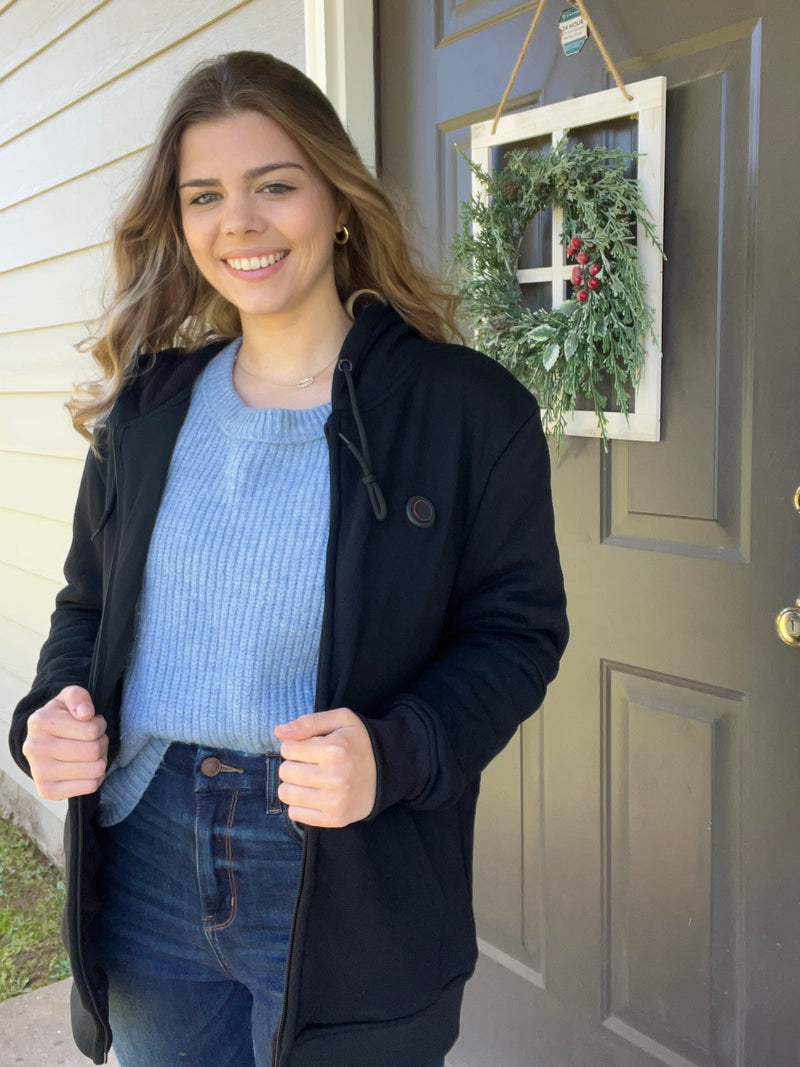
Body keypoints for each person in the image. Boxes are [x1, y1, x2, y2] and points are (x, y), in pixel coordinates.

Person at [8, 51, 568, 1067]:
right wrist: (50, 710)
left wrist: (390, 752)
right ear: (178, 222)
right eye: (205, 195)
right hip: (147, 852)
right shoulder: (147, 410)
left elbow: (517, 633)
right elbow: (86, 607)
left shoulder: (465, 410)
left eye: (274, 184)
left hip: (347, 862)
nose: (241, 222)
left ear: (336, 197)